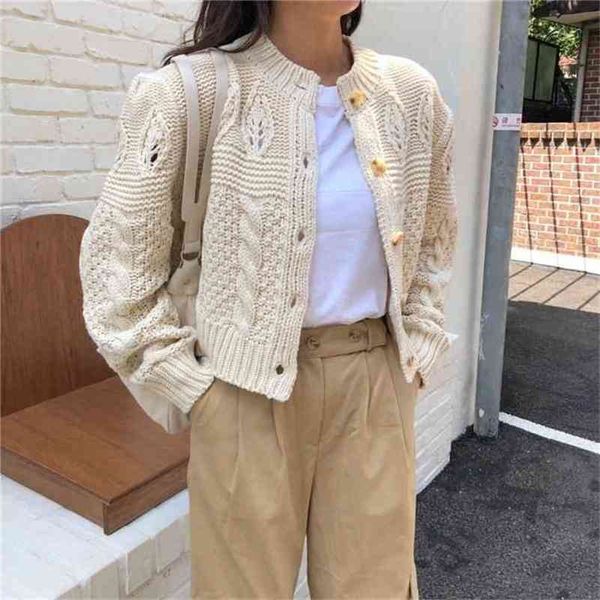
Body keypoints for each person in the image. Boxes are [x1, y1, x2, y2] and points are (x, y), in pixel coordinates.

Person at [79, 0, 458, 598]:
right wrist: (196, 391)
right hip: (241, 397)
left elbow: (433, 238)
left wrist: (417, 349)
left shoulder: (411, 96)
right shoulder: (190, 92)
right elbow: (116, 273)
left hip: (374, 386)